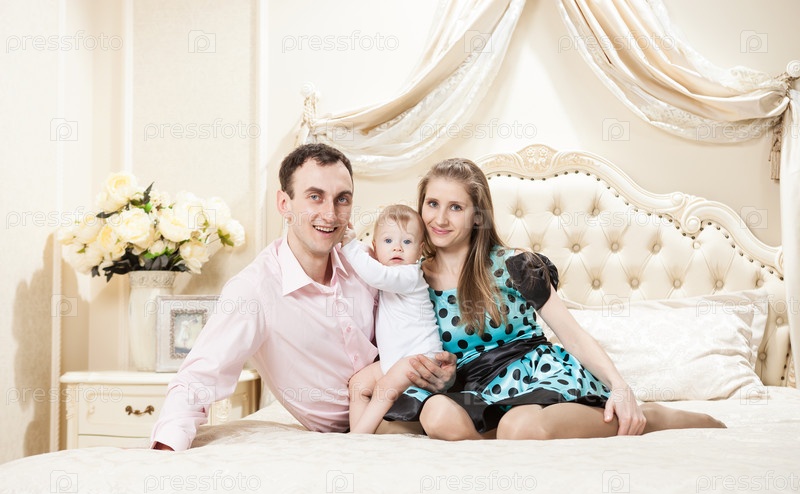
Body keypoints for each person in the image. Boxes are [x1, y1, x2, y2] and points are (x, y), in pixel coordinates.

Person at [384, 158, 726, 440]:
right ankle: (490, 452)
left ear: (477, 216)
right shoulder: (409, 279)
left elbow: (571, 333)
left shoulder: (514, 265)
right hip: (470, 386)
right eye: (432, 204)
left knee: (518, 427)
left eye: (455, 207)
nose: (440, 219)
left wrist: (620, 387)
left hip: (532, 375)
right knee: (418, 419)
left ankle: (651, 418)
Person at [150, 144, 457, 451]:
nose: (330, 214)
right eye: (315, 197)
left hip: (408, 405)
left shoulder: (369, 263)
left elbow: (414, 321)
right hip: (354, 431)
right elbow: (198, 379)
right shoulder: (254, 291)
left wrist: (440, 372)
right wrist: (166, 449)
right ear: (284, 204)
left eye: (342, 199)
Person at [339, 205, 443, 434]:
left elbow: (377, 275)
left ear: (420, 250)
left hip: (422, 357)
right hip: (394, 360)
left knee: (384, 388)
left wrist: (350, 246)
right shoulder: (388, 274)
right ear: (375, 248)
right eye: (388, 241)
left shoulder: (409, 275)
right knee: (357, 384)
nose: (397, 247)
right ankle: (359, 431)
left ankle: (357, 438)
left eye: (407, 242)